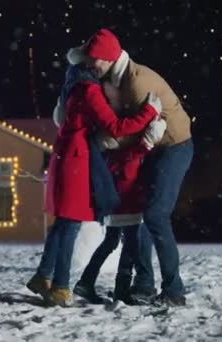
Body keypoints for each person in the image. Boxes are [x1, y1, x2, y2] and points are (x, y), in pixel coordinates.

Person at [26, 29, 162, 307]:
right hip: (76, 160)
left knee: (62, 222)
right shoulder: (89, 90)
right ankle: (61, 287)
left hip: (64, 156)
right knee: (71, 224)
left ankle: (43, 276)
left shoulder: (72, 86)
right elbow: (115, 127)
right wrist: (148, 113)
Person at [70, 28, 194, 306]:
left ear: (107, 58)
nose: (90, 65)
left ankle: (174, 291)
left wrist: (100, 141)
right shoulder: (110, 79)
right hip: (149, 149)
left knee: (155, 214)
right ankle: (144, 284)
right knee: (139, 216)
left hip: (173, 147)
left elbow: (130, 134)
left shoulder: (137, 83)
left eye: (93, 60)